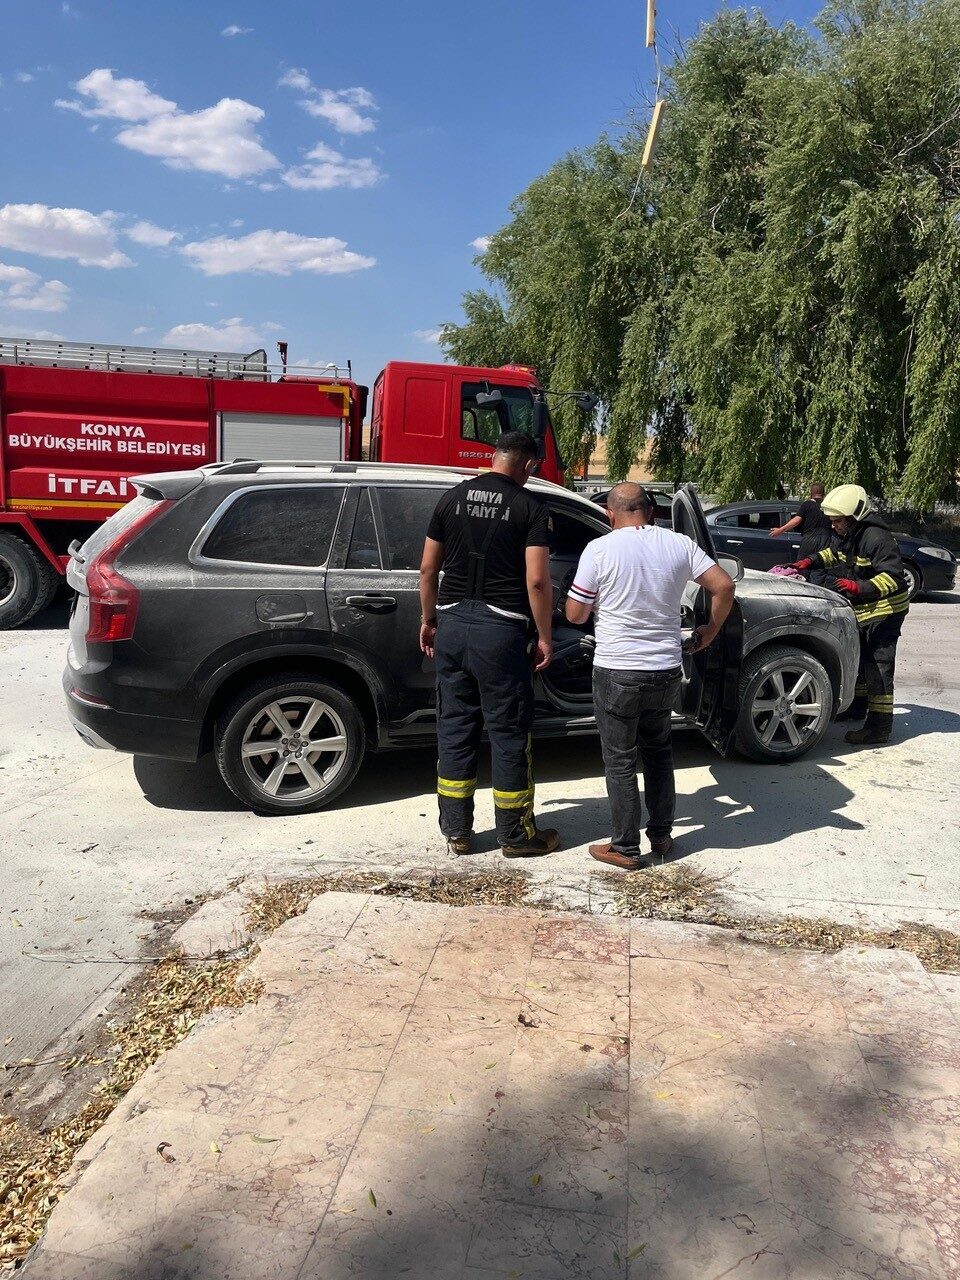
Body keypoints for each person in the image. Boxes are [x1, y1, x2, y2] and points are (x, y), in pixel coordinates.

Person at [565, 483, 735, 871]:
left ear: (611, 514)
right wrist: (710, 630)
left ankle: (625, 848)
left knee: (621, 761)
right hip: (664, 669)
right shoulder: (678, 544)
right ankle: (660, 835)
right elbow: (724, 585)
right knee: (659, 754)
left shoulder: (600, 549)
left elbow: (575, 615)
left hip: (617, 670)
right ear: (650, 510)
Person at [419, 432, 559, 858]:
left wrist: (428, 621)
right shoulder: (531, 507)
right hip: (501, 632)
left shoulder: (450, 499)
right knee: (508, 731)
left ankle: (457, 832)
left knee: (455, 727)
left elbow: (428, 570)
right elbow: (536, 580)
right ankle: (515, 836)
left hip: (453, 626)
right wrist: (545, 636)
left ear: (495, 457)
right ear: (529, 466)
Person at [791, 484, 908, 745]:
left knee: (878, 666)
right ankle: (858, 708)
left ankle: (879, 728)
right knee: (862, 660)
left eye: (837, 521)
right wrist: (810, 561)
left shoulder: (877, 538)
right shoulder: (850, 534)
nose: (833, 526)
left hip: (886, 611)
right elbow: (835, 554)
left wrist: (860, 587)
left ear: (854, 516)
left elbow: (894, 579)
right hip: (865, 610)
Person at [770, 484, 833, 583]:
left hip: (809, 540)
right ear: (824, 493)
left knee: (803, 567)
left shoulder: (807, 504)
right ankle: (817, 590)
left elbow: (797, 520)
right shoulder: (829, 506)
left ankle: (803, 588)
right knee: (820, 568)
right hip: (826, 541)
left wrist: (781, 530)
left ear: (811, 494)